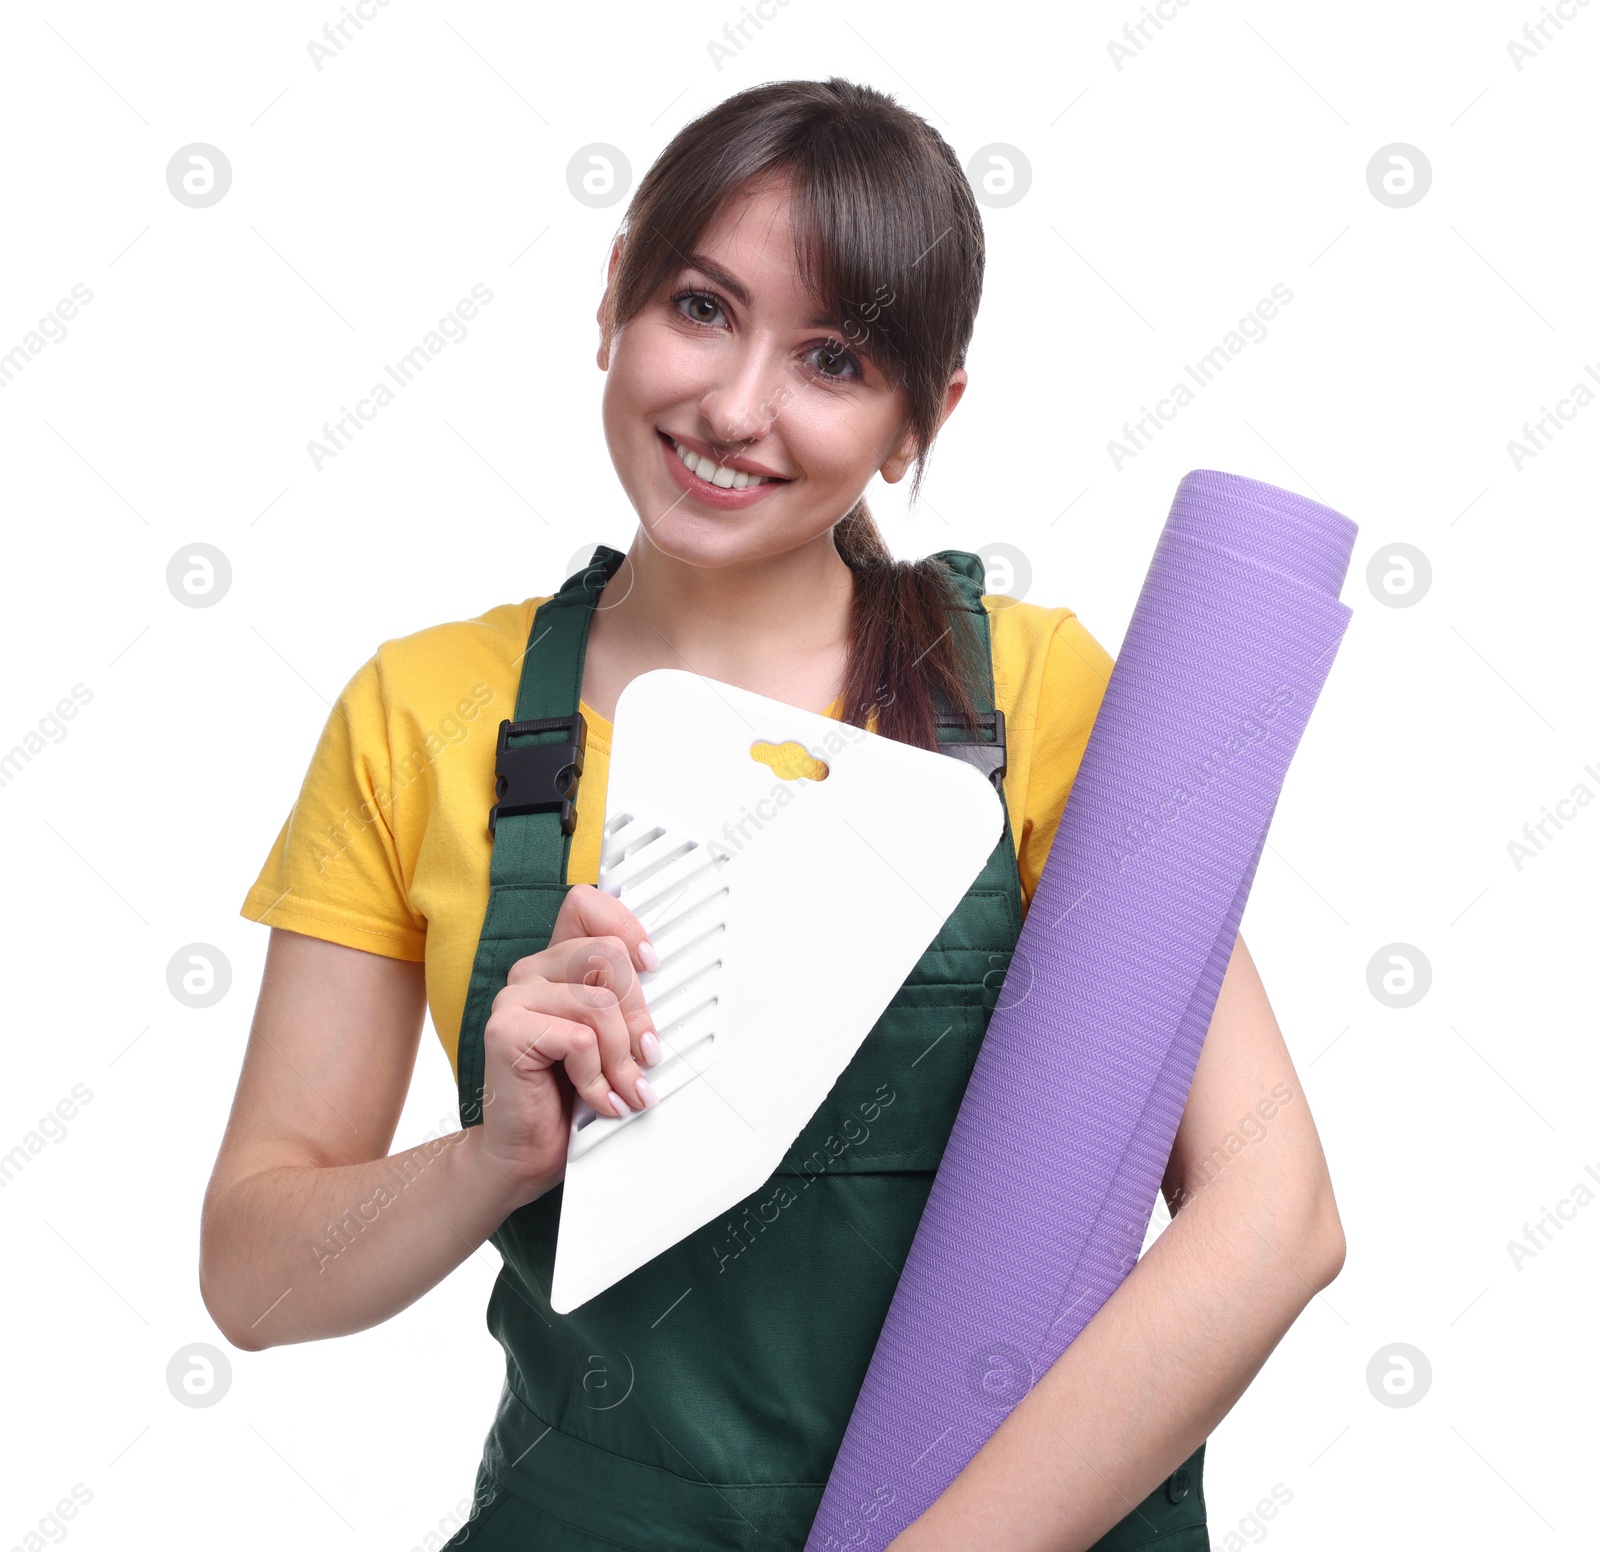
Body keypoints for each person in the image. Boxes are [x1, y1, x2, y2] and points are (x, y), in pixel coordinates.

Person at [200, 77, 1345, 1552]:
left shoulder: (1038, 697)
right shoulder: (420, 716)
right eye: (700, 306)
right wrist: (492, 1156)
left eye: (832, 357)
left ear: (918, 420)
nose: (736, 407)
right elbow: (254, 1279)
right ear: (613, 295)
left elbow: (1271, 1215)